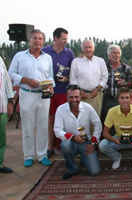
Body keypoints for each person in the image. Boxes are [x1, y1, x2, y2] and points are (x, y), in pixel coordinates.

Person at [8, 29, 54, 167]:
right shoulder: (20, 56)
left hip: (44, 96)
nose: (37, 41)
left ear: (43, 41)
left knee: (43, 127)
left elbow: (50, 76)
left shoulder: (47, 57)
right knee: (27, 127)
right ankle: (28, 155)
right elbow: (11, 73)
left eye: (40, 39)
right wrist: (25, 80)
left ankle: (42, 155)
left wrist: (51, 85)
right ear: (29, 40)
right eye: (35, 38)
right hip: (27, 93)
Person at [54, 85, 101, 179]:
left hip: (86, 143)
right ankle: (72, 169)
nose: (74, 100)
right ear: (66, 97)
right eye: (71, 97)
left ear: (80, 97)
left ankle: (83, 160)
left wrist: (93, 143)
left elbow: (98, 124)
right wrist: (73, 137)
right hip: (70, 142)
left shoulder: (88, 107)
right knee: (66, 145)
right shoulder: (60, 109)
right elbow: (57, 130)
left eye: (76, 97)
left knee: (94, 172)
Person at [99, 87, 132, 169]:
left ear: (131, 99)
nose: (124, 100)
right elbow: (105, 133)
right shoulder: (111, 111)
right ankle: (116, 157)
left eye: (127, 98)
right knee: (102, 145)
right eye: (122, 98)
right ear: (118, 99)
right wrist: (115, 140)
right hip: (118, 140)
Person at [42, 28, 75, 158]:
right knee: (50, 119)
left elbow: (73, 70)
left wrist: (67, 79)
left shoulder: (69, 53)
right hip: (48, 91)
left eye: (67, 38)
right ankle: (50, 147)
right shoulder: (44, 51)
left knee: (65, 119)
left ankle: (64, 145)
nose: (66, 41)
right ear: (55, 38)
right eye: (63, 38)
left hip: (63, 92)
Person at [69, 39, 108, 117]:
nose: (88, 49)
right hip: (81, 96)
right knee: (82, 119)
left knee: (95, 119)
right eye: (85, 47)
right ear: (82, 49)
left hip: (96, 95)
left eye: (90, 47)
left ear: (93, 48)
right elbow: (72, 79)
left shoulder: (100, 61)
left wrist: (97, 88)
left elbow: (105, 77)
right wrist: (79, 92)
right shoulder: (76, 62)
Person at [101, 45, 132, 134]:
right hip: (107, 99)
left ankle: (121, 139)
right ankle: (107, 140)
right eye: (114, 53)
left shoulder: (126, 68)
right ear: (109, 54)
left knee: (120, 122)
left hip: (121, 100)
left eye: (118, 53)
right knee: (107, 121)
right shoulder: (103, 67)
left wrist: (125, 83)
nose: (116, 55)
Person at [0, 57, 15, 173]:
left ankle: (0, 163)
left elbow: (6, 80)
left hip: (1, 106)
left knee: (1, 138)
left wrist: (10, 101)